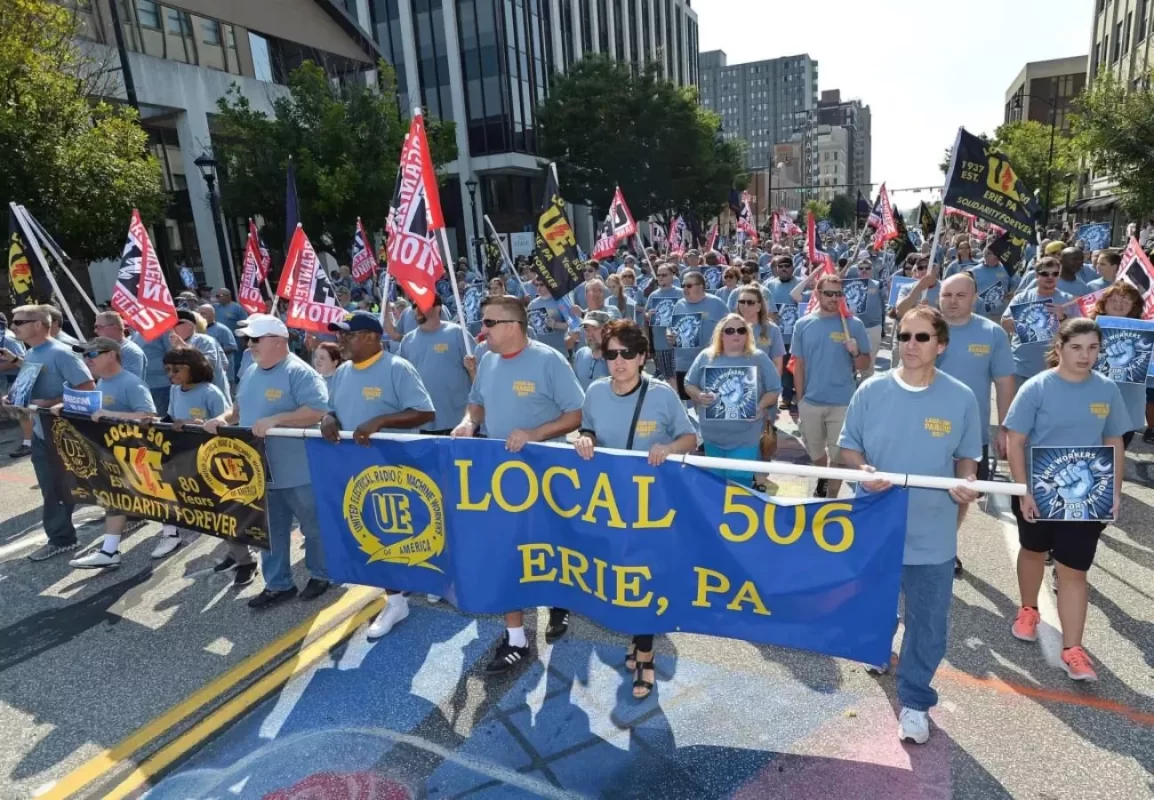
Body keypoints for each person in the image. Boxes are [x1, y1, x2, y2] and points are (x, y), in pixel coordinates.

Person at [838, 306, 982, 744]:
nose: (911, 345)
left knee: (928, 623)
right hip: (876, 528)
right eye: (904, 336)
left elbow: (967, 460)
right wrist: (865, 471)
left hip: (932, 534)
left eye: (922, 337)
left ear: (941, 344)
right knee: (877, 606)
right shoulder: (870, 390)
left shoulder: (961, 397)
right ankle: (878, 649)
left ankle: (916, 701)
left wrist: (967, 484)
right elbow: (849, 450)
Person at [451, 296, 584, 673]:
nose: (483, 330)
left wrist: (536, 434)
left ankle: (559, 603)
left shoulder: (548, 361)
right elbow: (475, 402)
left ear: (513, 325)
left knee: (548, 544)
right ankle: (516, 638)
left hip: (544, 471)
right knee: (507, 550)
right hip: (501, 474)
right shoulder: (487, 359)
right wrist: (468, 422)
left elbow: (575, 414)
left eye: (489, 322)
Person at [574, 319, 696, 699]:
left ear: (643, 356)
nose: (619, 361)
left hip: (652, 508)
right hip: (608, 504)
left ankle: (645, 655)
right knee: (617, 575)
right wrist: (585, 438)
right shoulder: (594, 392)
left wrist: (670, 449)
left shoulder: (661, 395)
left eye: (628, 353)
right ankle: (635, 638)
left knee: (643, 578)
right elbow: (589, 427)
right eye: (612, 354)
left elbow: (690, 437)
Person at [1004, 318, 1129, 682]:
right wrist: (1022, 488)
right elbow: (1015, 440)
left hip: (1087, 498)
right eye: (1077, 347)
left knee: (1074, 568)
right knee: (1033, 551)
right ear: (1059, 348)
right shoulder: (1037, 387)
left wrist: (1114, 490)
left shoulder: (1106, 390)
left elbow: (1114, 441)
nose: (1085, 355)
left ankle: (1073, 649)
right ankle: (1028, 609)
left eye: (1093, 348)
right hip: (1039, 493)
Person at [203, 314, 331, 609]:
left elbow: (318, 410)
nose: (250, 344)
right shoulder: (250, 369)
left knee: (313, 527)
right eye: (249, 339)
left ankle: (321, 574)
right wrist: (222, 419)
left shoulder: (299, 372)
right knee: (269, 532)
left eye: (256, 339)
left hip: (298, 470)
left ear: (278, 342)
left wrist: (277, 419)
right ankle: (278, 584)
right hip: (258, 471)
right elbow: (239, 409)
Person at [321, 311, 436, 636]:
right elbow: (335, 408)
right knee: (375, 533)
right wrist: (328, 418)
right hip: (361, 472)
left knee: (414, 529)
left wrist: (381, 421)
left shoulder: (397, 368)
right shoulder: (342, 373)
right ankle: (395, 600)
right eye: (341, 335)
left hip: (400, 471)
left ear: (371, 337)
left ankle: (434, 581)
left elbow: (425, 412)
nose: (341, 340)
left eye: (348, 335)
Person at [936, 274, 1017, 575]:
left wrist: (1005, 428)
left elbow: (1005, 383)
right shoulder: (927, 329)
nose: (953, 301)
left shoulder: (992, 334)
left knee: (961, 496)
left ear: (974, 298)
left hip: (970, 435)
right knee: (922, 494)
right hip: (924, 432)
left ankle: (947, 547)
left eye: (960, 295)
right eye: (947, 295)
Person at [1, 305, 96, 561]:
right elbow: (27, 388)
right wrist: (13, 398)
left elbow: (87, 388)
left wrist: (52, 401)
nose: (14, 326)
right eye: (13, 321)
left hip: (64, 432)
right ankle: (62, 538)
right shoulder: (31, 353)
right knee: (51, 486)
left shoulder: (62, 353)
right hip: (42, 432)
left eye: (20, 321)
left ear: (39, 324)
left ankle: (127, 517)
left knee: (88, 481)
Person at [63, 338, 159, 568]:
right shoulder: (102, 383)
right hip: (114, 456)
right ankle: (109, 551)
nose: (88, 359)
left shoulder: (131, 383)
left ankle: (172, 534)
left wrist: (111, 416)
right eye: (85, 355)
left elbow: (149, 416)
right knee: (115, 500)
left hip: (138, 456)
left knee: (156, 500)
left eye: (93, 354)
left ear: (112, 355)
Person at [791, 275, 872, 498]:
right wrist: (800, 400)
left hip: (843, 403)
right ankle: (823, 479)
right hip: (811, 402)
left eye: (838, 294)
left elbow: (865, 365)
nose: (834, 298)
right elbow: (799, 366)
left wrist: (855, 351)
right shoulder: (803, 324)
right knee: (817, 455)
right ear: (817, 294)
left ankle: (829, 499)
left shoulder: (853, 324)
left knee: (839, 458)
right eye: (829, 293)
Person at [152, 346, 233, 561]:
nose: (171, 375)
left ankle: (238, 548)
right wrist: (154, 422)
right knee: (167, 491)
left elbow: (226, 425)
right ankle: (170, 534)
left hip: (207, 457)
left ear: (193, 368)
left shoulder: (210, 392)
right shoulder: (175, 390)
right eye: (168, 370)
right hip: (180, 452)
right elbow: (171, 416)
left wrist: (196, 424)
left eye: (176, 370)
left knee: (218, 505)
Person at [685, 313, 781, 487]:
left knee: (739, 486)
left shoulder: (758, 357)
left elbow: (774, 390)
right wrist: (698, 395)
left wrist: (760, 406)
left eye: (741, 330)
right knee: (716, 485)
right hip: (712, 437)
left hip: (745, 437)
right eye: (730, 330)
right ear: (721, 334)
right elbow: (688, 384)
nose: (736, 334)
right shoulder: (706, 356)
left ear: (747, 334)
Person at [399, 295, 475, 435]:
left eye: (422, 305)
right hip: (421, 423)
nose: (417, 310)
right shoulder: (407, 340)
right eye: (415, 306)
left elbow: (477, 374)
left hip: (457, 423)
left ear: (438, 308)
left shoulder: (458, 333)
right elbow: (401, 379)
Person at [1085, 282, 1147, 448]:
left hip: (1129, 401)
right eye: (1114, 299)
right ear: (1103, 302)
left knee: (1119, 446)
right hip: (1095, 397)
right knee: (1093, 444)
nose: (1119, 304)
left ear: (1134, 306)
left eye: (1126, 300)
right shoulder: (1086, 327)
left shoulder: (1147, 333)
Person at [1001, 256, 1078, 388]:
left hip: (1055, 369)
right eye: (1045, 273)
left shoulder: (1068, 300)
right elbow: (1005, 323)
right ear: (1036, 275)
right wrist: (1032, 320)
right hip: (1021, 368)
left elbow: (1079, 333)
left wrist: (1062, 317)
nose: (1050, 277)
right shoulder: (1022, 297)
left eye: (1055, 273)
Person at [668, 270, 730, 406]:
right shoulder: (679, 305)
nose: (684, 288)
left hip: (710, 363)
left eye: (689, 285)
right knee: (687, 405)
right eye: (683, 285)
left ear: (700, 287)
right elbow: (671, 328)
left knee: (709, 404)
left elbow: (730, 328)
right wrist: (670, 336)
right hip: (683, 364)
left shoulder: (717, 303)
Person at [766, 256, 803, 409]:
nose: (784, 269)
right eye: (780, 266)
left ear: (793, 268)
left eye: (787, 266)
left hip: (798, 334)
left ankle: (800, 394)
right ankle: (786, 396)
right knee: (783, 366)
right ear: (776, 269)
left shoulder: (801, 283)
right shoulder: (769, 285)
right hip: (778, 335)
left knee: (798, 366)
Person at [170, 309, 230, 397]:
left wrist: (185, 347)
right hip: (190, 394)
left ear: (190, 325)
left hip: (210, 394)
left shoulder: (204, 340)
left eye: (177, 324)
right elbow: (225, 364)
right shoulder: (176, 345)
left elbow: (209, 363)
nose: (173, 328)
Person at [644, 264, 684, 386]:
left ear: (672, 275)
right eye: (658, 275)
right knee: (667, 378)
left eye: (664, 275)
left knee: (678, 377)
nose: (660, 277)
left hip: (679, 344)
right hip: (660, 344)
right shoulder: (653, 295)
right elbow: (645, 315)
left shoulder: (681, 294)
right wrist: (648, 315)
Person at [734, 286, 785, 375]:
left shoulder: (772, 329)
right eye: (742, 302)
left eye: (750, 302)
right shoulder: (729, 328)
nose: (745, 306)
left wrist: (774, 387)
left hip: (763, 384)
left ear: (759, 306)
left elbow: (777, 362)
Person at [93, 311, 147, 379]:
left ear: (114, 327)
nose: (95, 331)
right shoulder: (109, 350)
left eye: (98, 327)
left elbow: (129, 383)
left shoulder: (130, 351)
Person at [527, 278, 570, 354]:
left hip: (559, 349)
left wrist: (555, 324)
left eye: (541, 285)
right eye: (536, 285)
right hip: (540, 350)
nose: (538, 288)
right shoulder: (532, 304)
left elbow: (572, 325)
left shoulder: (561, 301)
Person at [571, 310, 611, 390]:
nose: (590, 334)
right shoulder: (581, 353)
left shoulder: (616, 358)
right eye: (586, 329)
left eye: (595, 329)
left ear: (607, 330)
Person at [199, 303, 239, 381]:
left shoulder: (222, 329)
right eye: (199, 314)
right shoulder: (198, 330)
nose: (200, 316)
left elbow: (232, 347)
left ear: (213, 315)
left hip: (223, 375)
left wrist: (213, 353)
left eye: (203, 314)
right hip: (206, 375)